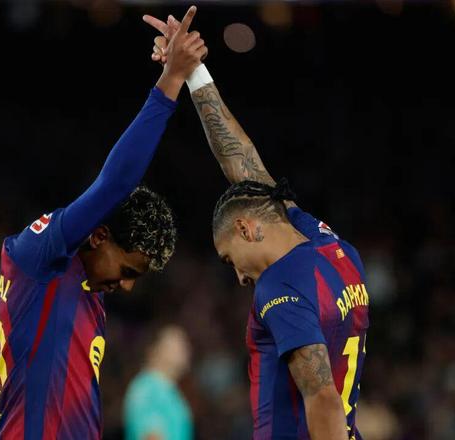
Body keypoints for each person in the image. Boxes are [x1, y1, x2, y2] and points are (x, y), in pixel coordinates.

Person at [144, 13, 369, 440]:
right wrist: (193, 73)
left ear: (247, 229)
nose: (240, 277)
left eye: (230, 259)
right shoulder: (328, 244)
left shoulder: (280, 285)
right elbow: (243, 164)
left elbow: (321, 395)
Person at [0, 7, 207, 439]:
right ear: (100, 234)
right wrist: (172, 81)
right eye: (127, 270)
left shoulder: (86, 289)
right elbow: (117, 183)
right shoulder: (41, 257)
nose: (125, 286)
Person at [123, 326, 193, 440]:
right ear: (154, 350)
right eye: (177, 345)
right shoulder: (147, 389)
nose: (186, 350)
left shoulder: (169, 390)